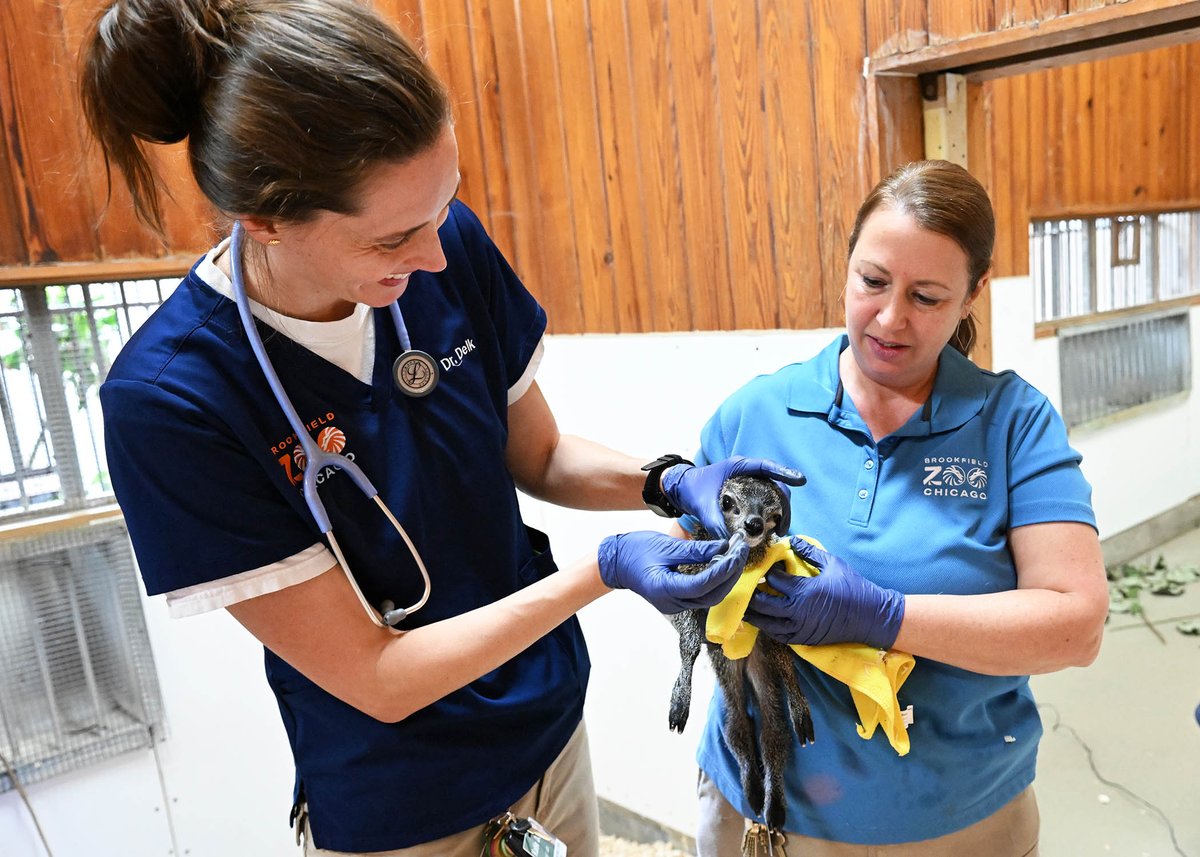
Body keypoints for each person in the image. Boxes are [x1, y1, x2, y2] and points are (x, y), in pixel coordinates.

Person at [77, 2, 806, 855]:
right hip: (403, 800)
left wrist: (666, 480)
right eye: (393, 236)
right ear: (265, 219)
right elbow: (378, 678)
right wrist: (604, 572)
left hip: (547, 733)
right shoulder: (174, 401)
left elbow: (539, 452)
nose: (433, 255)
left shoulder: (443, 246)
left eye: (441, 207)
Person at [681, 160, 1110, 857]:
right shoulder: (758, 413)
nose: (888, 317)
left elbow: (1075, 625)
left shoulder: (1011, 423)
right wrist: (667, 564)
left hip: (961, 822)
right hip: (767, 816)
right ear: (847, 263)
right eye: (872, 281)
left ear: (974, 292)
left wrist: (884, 615)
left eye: (928, 296)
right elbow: (686, 559)